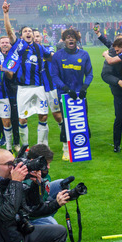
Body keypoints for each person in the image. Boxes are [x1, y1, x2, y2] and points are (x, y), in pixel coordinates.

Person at [2, 0, 54, 147]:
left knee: (43, 116)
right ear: (21, 35)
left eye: (30, 31)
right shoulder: (18, 45)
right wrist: (6, 13)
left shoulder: (39, 48)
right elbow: (9, 31)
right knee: (22, 119)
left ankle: (40, 146)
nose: (28, 33)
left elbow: (51, 57)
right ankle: (25, 147)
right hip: (23, 88)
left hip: (39, 87)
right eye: (25, 31)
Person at [50, 28, 93, 161]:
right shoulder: (58, 56)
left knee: (82, 120)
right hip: (65, 95)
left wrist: (85, 87)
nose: (70, 39)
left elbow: (90, 73)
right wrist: (67, 89)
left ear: (76, 39)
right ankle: (66, 149)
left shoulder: (84, 55)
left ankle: (82, 146)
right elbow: (54, 76)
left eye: (73, 37)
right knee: (66, 121)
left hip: (80, 95)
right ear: (64, 40)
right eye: (68, 37)